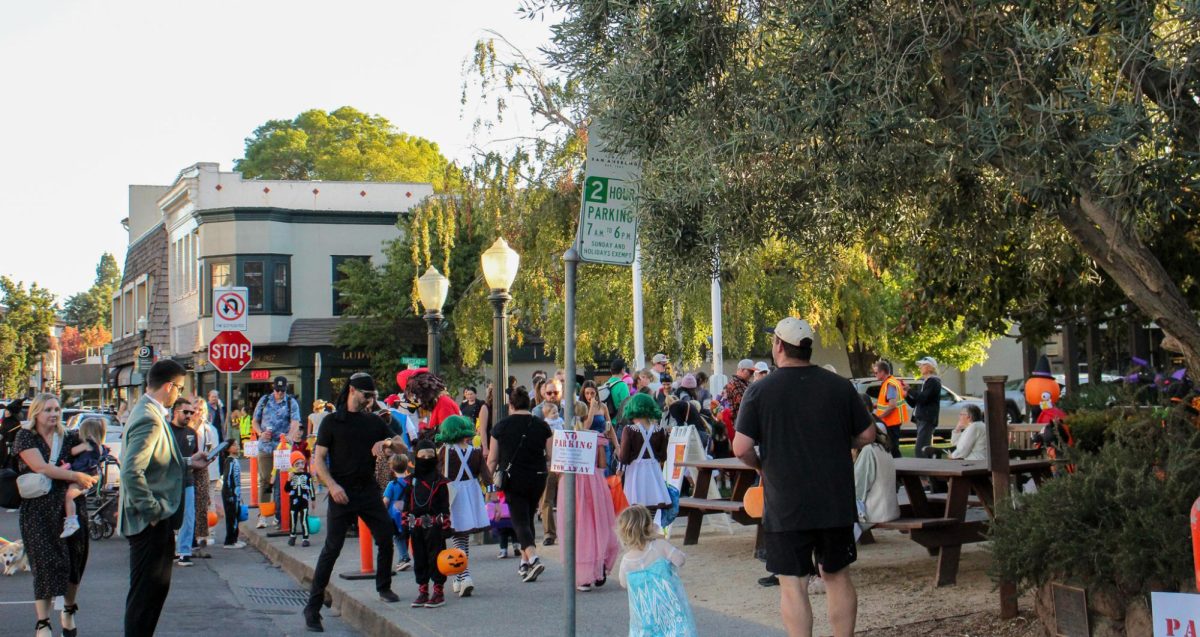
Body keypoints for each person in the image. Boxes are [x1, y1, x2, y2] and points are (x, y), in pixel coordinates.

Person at [733, 317, 875, 637]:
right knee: (837, 575)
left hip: (786, 501)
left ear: (779, 346)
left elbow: (741, 447)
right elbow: (868, 433)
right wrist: (845, 445)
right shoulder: (839, 386)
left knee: (792, 583)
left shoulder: (760, 391)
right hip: (834, 498)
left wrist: (760, 466)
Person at [303, 372, 407, 632]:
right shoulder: (331, 422)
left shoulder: (373, 421)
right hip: (342, 492)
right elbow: (318, 461)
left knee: (386, 536)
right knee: (332, 549)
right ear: (352, 391)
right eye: (366, 394)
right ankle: (313, 608)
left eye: (372, 395)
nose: (370, 399)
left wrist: (386, 443)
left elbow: (401, 445)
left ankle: (383, 586)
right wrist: (333, 486)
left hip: (368, 491)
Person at [120, 359, 213, 636]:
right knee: (145, 598)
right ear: (170, 386)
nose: (180, 394)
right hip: (150, 520)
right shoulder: (149, 417)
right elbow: (131, 471)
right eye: (180, 388)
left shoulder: (150, 411)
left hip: (156, 516)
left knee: (153, 594)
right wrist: (152, 512)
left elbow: (155, 464)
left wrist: (187, 463)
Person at [15, 393, 97, 637]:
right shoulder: (25, 436)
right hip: (38, 512)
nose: (53, 414)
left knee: (74, 562)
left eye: (56, 409)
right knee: (44, 565)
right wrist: (75, 476)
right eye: (48, 409)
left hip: (69, 508)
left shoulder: (69, 436)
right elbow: (41, 467)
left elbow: (91, 456)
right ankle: (43, 623)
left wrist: (91, 475)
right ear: (36, 413)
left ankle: (68, 610)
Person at [486, 386, 553, 583]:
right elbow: (550, 455)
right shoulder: (542, 425)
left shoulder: (501, 426)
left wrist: (489, 487)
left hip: (513, 478)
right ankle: (524, 563)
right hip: (538, 476)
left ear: (511, 405)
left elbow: (492, 460)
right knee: (529, 516)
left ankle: (533, 558)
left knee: (519, 521)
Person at [558, 401, 620, 591]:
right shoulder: (596, 437)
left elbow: (558, 466)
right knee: (597, 524)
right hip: (593, 482)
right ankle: (599, 563)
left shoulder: (564, 437)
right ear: (587, 416)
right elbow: (602, 464)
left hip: (571, 484)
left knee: (576, 526)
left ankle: (583, 575)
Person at [617, 505, 698, 637]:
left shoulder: (627, 560)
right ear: (649, 525)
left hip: (644, 615)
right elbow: (680, 560)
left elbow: (623, 583)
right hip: (670, 608)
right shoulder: (659, 546)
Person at [436, 415, 490, 597]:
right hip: (472, 493)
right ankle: (459, 576)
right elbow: (487, 476)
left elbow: (437, 474)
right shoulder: (476, 451)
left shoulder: (445, 451)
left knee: (457, 534)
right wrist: (493, 497)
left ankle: (464, 575)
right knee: (463, 535)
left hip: (452, 494)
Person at [403, 441, 452, 608]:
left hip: (434, 526)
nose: (426, 459)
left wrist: (445, 525)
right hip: (415, 526)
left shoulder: (440, 482)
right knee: (419, 558)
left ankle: (438, 591)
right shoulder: (411, 481)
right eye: (422, 456)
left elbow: (445, 506)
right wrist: (404, 525)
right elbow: (406, 504)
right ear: (416, 458)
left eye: (430, 456)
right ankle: (423, 590)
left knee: (436, 558)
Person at [253, 376, 301, 528]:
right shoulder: (264, 400)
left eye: (282, 390)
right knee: (266, 480)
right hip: (266, 446)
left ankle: (280, 515)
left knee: (282, 480)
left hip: (282, 448)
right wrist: (260, 433)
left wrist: (289, 437)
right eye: (277, 390)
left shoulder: (290, 402)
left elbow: (295, 422)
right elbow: (255, 421)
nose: (279, 393)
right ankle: (263, 514)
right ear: (273, 388)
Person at [618, 393, 671, 512]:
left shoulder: (629, 430)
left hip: (635, 473)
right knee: (654, 503)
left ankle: (638, 529)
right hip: (653, 471)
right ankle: (649, 528)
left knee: (635, 506)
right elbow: (663, 455)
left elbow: (624, 456)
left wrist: (620, 469)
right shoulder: (660, 430)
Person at [60, 417, 108, 538]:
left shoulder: (87, 445)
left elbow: (71, 452)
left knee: (68, 496)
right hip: (93, 476)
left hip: (83, 476)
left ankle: (71, 521)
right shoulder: (100, 446)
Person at [532, 379, 565, 546]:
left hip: (567, 459)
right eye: (549, 393)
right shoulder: (538, 411)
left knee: (569, 497)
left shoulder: (567, 408)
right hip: (547, 461)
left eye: (555, 392)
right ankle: (549, 533)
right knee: (546, 499)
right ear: (543, 394)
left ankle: (569, 531)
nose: (552, 396)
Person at [191, 398, 217, 553]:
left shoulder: (209, 429)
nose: (197, 412)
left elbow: (214, 451)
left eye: (200, 409)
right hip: (191, 469)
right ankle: (194, 533)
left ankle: (207, 533)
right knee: (193, 504)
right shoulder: (188, 429)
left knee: (208, 503)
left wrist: (215, 474)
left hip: (207, 471)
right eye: (195, 408)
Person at [904, 357, 942, 459]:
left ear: (930, 367)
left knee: (920, 449)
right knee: (925, 449)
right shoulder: (926, 382)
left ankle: (924, 473)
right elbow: (915, 403)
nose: (920, 367)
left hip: (926, 419)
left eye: (923, 365)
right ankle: (929, 472)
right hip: (921, 419)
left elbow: (922, 398)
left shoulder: (933, 382)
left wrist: (909, 389)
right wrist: (906, 395)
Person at [382, 454, 413, 572]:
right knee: (407, 534)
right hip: (409, 512)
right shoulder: (410, 482)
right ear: (406, 467)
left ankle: (404, 558)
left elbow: (386, 501)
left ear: (392, 468)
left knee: (398, 537)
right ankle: (404, 557)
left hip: (395, 515)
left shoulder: (392, 484)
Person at [872, 360, 909, 459]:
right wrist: (875, 405)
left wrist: (879, 417)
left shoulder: (890, 384)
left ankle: (900, 471)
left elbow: (892, 405)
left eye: (876, 372)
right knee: (893, 449)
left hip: (891, 422)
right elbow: (887, 402)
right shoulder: (891, 381)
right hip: (891, 422)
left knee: (893, 450)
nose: (874, 375)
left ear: (883, 372)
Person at [719, 359, 755, 443]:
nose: (752, 375)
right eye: (750, 372)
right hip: (739, 423)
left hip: (744, 422)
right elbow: (745, 402)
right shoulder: (735, 383)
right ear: (741, 370)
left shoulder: (745, 383)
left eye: (753, 372)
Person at [286, 452, 316, 547]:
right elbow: (286, 489)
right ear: (293, 465)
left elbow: (311, 487)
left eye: (302, 463)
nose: (300, 466)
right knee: (293, 519)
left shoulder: (307, 476)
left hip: (304, 501)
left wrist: (313, 499)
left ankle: (305, 538)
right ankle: (292, 535)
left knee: (304, 519)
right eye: (297, 464)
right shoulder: (291, 475)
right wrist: (288, 480)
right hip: (294, 501)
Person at [220, 439, 245, 550]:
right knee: (231, 517)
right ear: (228, 448)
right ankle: (229, 541)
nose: (237, 447)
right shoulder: (229, 461)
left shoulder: (234, 460)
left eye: (237, 445)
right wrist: (230, 493)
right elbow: (227, 479)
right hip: (230, 494)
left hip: (236, 493)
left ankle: (234, 538)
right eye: (234, 445)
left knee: (236, 516)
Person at [488, 491, 517, 558]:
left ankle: (503, 550)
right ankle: (516, 546)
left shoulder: (497, 488)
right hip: (512, 510)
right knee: (514, 531)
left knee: (502, 533)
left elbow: (491, 493)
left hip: (500, 513)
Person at [0, 397, 24, 470]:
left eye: (8, 411)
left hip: (11, 449)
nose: (6, 412)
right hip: (3, 447)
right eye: (6, 410)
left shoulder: (16, 423)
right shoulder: (5, 421)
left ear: (12, 412)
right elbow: (2, 431)